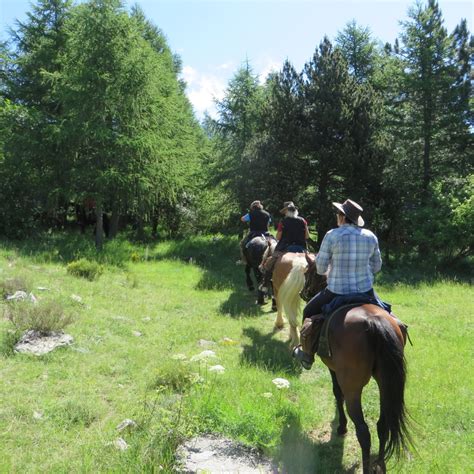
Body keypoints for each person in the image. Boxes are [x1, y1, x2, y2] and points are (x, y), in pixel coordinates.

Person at [293, 198, 382, 368]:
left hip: (336, 291)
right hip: (365, 291)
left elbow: (320, 269)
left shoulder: (332, 235)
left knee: (308, 310)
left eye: (337, 214)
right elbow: (377, 267)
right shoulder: (370, 236)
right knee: (387, 313)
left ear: (342, 217)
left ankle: (307, 354)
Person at [260, 201, 309, 286]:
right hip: (301, 248)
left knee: (270, 264)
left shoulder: (283, 221)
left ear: (286, 211)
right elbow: (307, 236)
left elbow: (278, 237)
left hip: (285, 247)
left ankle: (264, 284)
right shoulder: (303, 221)